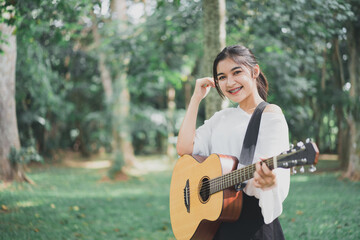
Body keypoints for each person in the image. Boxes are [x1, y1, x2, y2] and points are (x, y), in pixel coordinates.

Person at [176, 45, 290, 239]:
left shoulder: (269, 114)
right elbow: (185, 148)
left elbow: (275, 172)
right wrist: (196, 99)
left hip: (252, 226)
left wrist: (270, 181)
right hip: (217, 224)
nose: (229, 82)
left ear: (254, 71)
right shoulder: (220, 118)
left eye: (236, 72)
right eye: (221, 77)